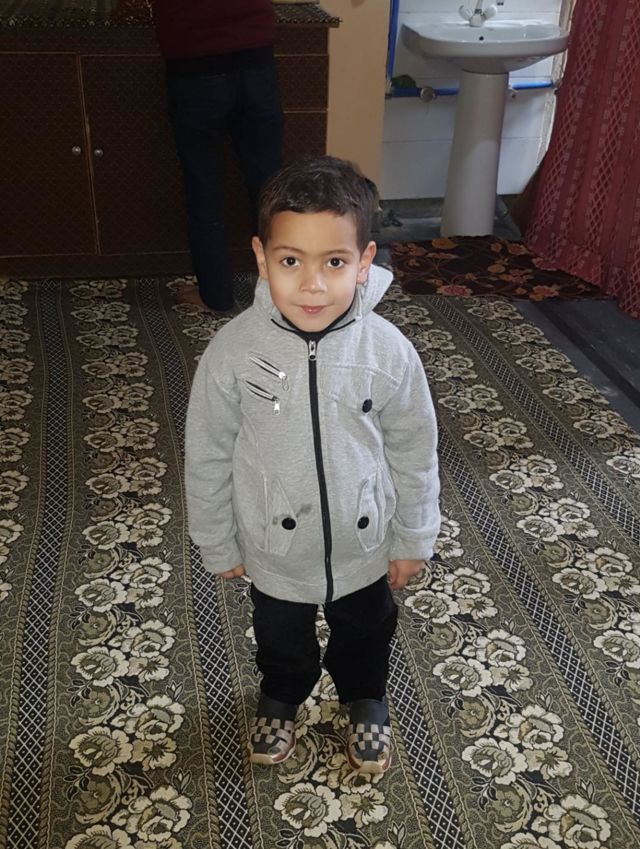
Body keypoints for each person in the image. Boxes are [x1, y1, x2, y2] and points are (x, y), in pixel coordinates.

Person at [184, 156, 440, 774]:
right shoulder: (233, 351)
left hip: (365, 543)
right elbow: (209, 450)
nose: (312, 286)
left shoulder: (388, 351)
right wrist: (217, 539)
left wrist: (413, 535)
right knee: (279, 635)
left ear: (365, 260)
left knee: (368, 631)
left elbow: (414, 449)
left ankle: (365, 696)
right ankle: (281, 694)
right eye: (291, 261)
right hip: (275, 544)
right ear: (260, 256)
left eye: (335, 263)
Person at [151, 0, 283, 313]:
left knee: (204, 187)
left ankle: (216, 296)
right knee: (270, 189)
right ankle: (283, 293)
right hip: (254, 56)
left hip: (194, 63)